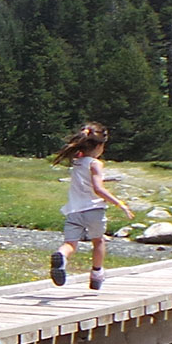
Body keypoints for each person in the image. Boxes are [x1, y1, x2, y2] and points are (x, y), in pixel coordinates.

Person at [48, 123, 133, 290]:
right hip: (94, 210)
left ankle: (62, 257)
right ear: (100, 146)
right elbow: (98, 188)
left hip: (74, 210)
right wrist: (119, 203)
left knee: (70, 244)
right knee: (98, 241)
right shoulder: (95, 164)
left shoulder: (77, 161)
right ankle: (96, 274)